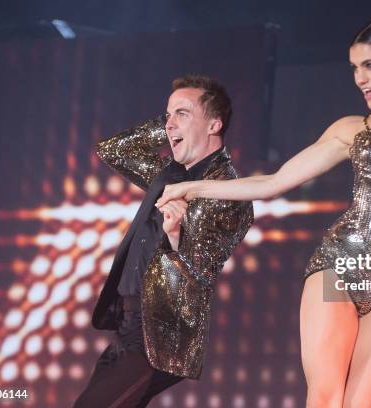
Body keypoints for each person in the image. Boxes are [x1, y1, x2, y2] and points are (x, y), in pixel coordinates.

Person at [156, 15, 371, 407]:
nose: (360, 78)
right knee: (325, 399)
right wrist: (192, 186)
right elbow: (273, 181)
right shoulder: (353, 129)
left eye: (370, 65)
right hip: (340, 266)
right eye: (355, 68)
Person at [74, 75, 254, 407]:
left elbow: (201, 271)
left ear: (214, 124)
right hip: (129, 327)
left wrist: (175, 235)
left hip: (160, 332)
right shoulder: (169, 173)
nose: (170, 123)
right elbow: (114, 149)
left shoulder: (229, 191)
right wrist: (171, 125)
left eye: (182, 113)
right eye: (167, 114)